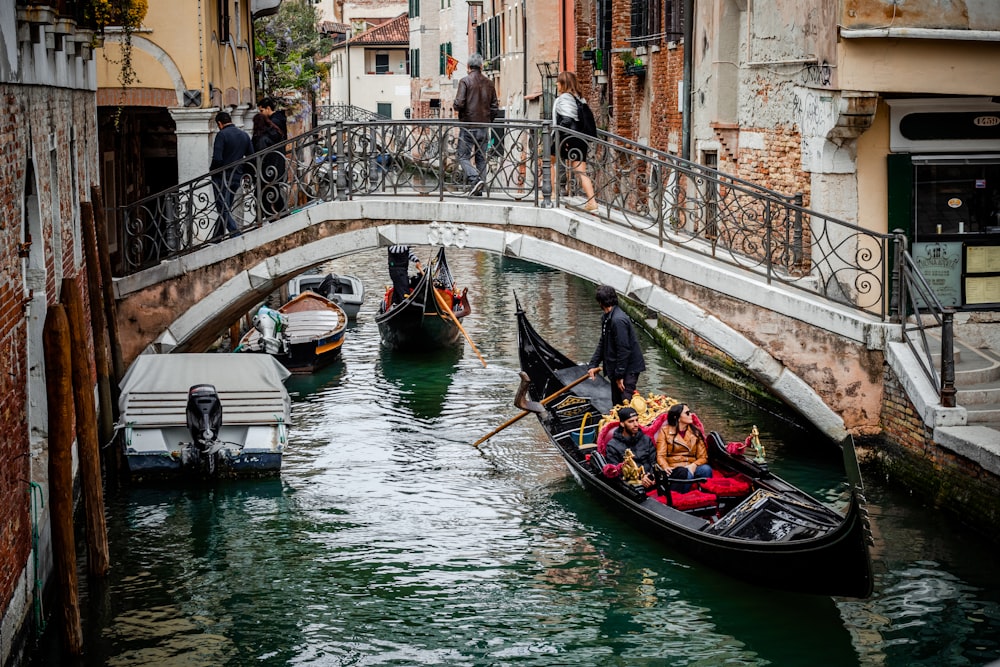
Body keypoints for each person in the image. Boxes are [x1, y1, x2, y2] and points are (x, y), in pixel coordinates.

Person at [586, 285, 646, 406]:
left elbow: (623, 349)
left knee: (624, 404)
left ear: (600, 302)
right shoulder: (607, 318)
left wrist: (619, 376)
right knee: (617, 403)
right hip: (617, 368)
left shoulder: (618, 320)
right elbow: (603, 342)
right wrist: (593, 364)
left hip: (628, 369)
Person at [550, 71, 597, 212]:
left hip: (568, 137)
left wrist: (559, 137)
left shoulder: (565, 98)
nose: (556, 84)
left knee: (547, 160)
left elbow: (567, 120)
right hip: (579, 138)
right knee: (581, 172)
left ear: (563, 83)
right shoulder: (579, 99)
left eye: (558, 82)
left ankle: (550, 193)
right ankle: (592, 202)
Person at [453, 53, 499, 197]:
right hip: (483, 126)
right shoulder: (490, 83)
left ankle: (474, 179)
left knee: (462, 156)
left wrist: (455, 106)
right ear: (481, 66)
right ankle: (480, 187)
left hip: (468, 126)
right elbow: (494, 108)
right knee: (481, 157)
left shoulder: (465, 81)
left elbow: (459, 103)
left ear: (468, 67)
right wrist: (487, 121)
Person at [210, 111, 253, 239]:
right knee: (226, 207)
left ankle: (236, 234)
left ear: (219, 123)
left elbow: (217, 158)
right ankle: (217, 236)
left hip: (222, 177)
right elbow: (251, 156)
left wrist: (212, 170)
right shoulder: (244, 135)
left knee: (222, 207)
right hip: (237, 176)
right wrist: (243, 171)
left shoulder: (222, 135)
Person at [655, 403, 713, 493]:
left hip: (691, 465)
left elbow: (703, 457)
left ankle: (706, 495)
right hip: (674, 468)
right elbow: (660, 455)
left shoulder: (695, 432)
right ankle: (682, 497)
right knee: (686, 473)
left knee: (706, 469)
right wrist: (665, 467)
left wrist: (694, 465)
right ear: (677, 417)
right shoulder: (665, 431)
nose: (691, 415)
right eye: (687, 413)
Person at [604, 407, 656, 489]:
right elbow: (616, 472)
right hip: (632, 487)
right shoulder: (612, 446)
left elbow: (654, 461)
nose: (636, 424)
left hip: (652, 480)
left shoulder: (646, 439)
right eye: (631, 421)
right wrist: (639, 479)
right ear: (622, 424)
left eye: (636, 420)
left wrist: (651, 475)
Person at [251, 112, 286, 217]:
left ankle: (267, 219)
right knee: (274, 193)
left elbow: (261, 156)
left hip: (265, 172)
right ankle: (283, 214)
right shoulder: (276, 133)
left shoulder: (261, 139)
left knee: (261, 195)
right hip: (276, 170)